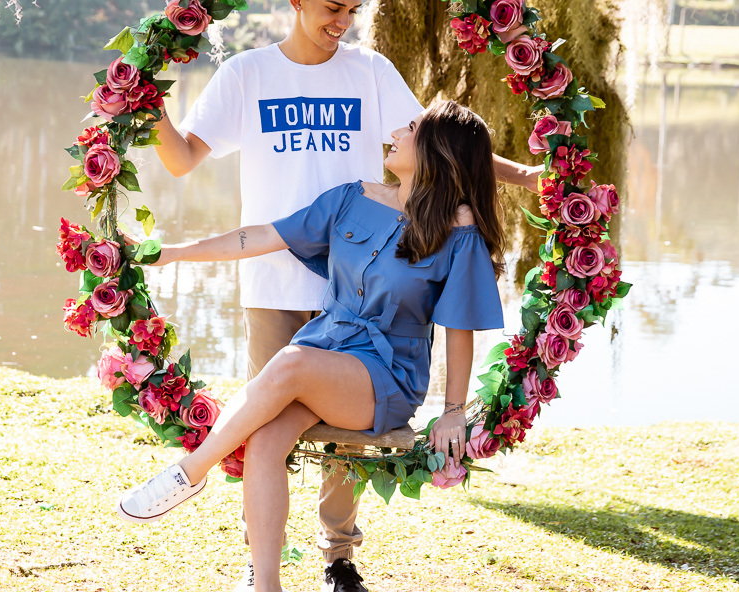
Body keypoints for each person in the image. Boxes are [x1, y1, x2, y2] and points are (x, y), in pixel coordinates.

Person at [152, 0, 537, 592]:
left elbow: (445, 144)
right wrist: (148, 97)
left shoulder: (369, 72)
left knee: (344, 440)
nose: (342, 21)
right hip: (277, 281)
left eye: (352, 10)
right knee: (269, 430)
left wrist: (521, 174)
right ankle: (261, 564)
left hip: (370, 286)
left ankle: (338, 557)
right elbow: (183, 158)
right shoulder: (248, 75)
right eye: (332, 6)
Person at [120, 100, 508, 592]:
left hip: (385, 376)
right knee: (264, 441)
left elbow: (460, 329)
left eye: (410, 128)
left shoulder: (459, 232)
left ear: (439, 150)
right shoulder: (351, 198)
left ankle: (190, 471)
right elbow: (262, 235)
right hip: (325, 348)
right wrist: (175, 253)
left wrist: (454, 410)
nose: (394, 132)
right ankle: (266, 586)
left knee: (292, 363)